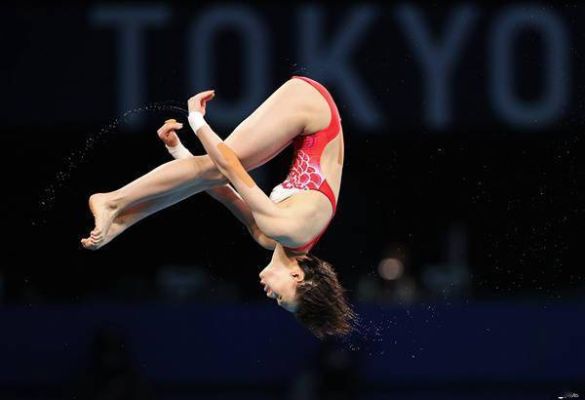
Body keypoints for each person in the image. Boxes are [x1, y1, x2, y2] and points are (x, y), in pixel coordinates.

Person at [82, 76, 355, 338]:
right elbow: (229, 167)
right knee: (218, 168)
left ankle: (121, 218)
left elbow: (223, 193)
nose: (270, 296)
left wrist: (179, 152)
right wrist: (196, 120)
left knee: (210, 173)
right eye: (281, 297)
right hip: (312, 106)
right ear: (297, 275)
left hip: (309, 124)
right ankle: (113, 201)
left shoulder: (269, 237)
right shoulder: (287, 229)